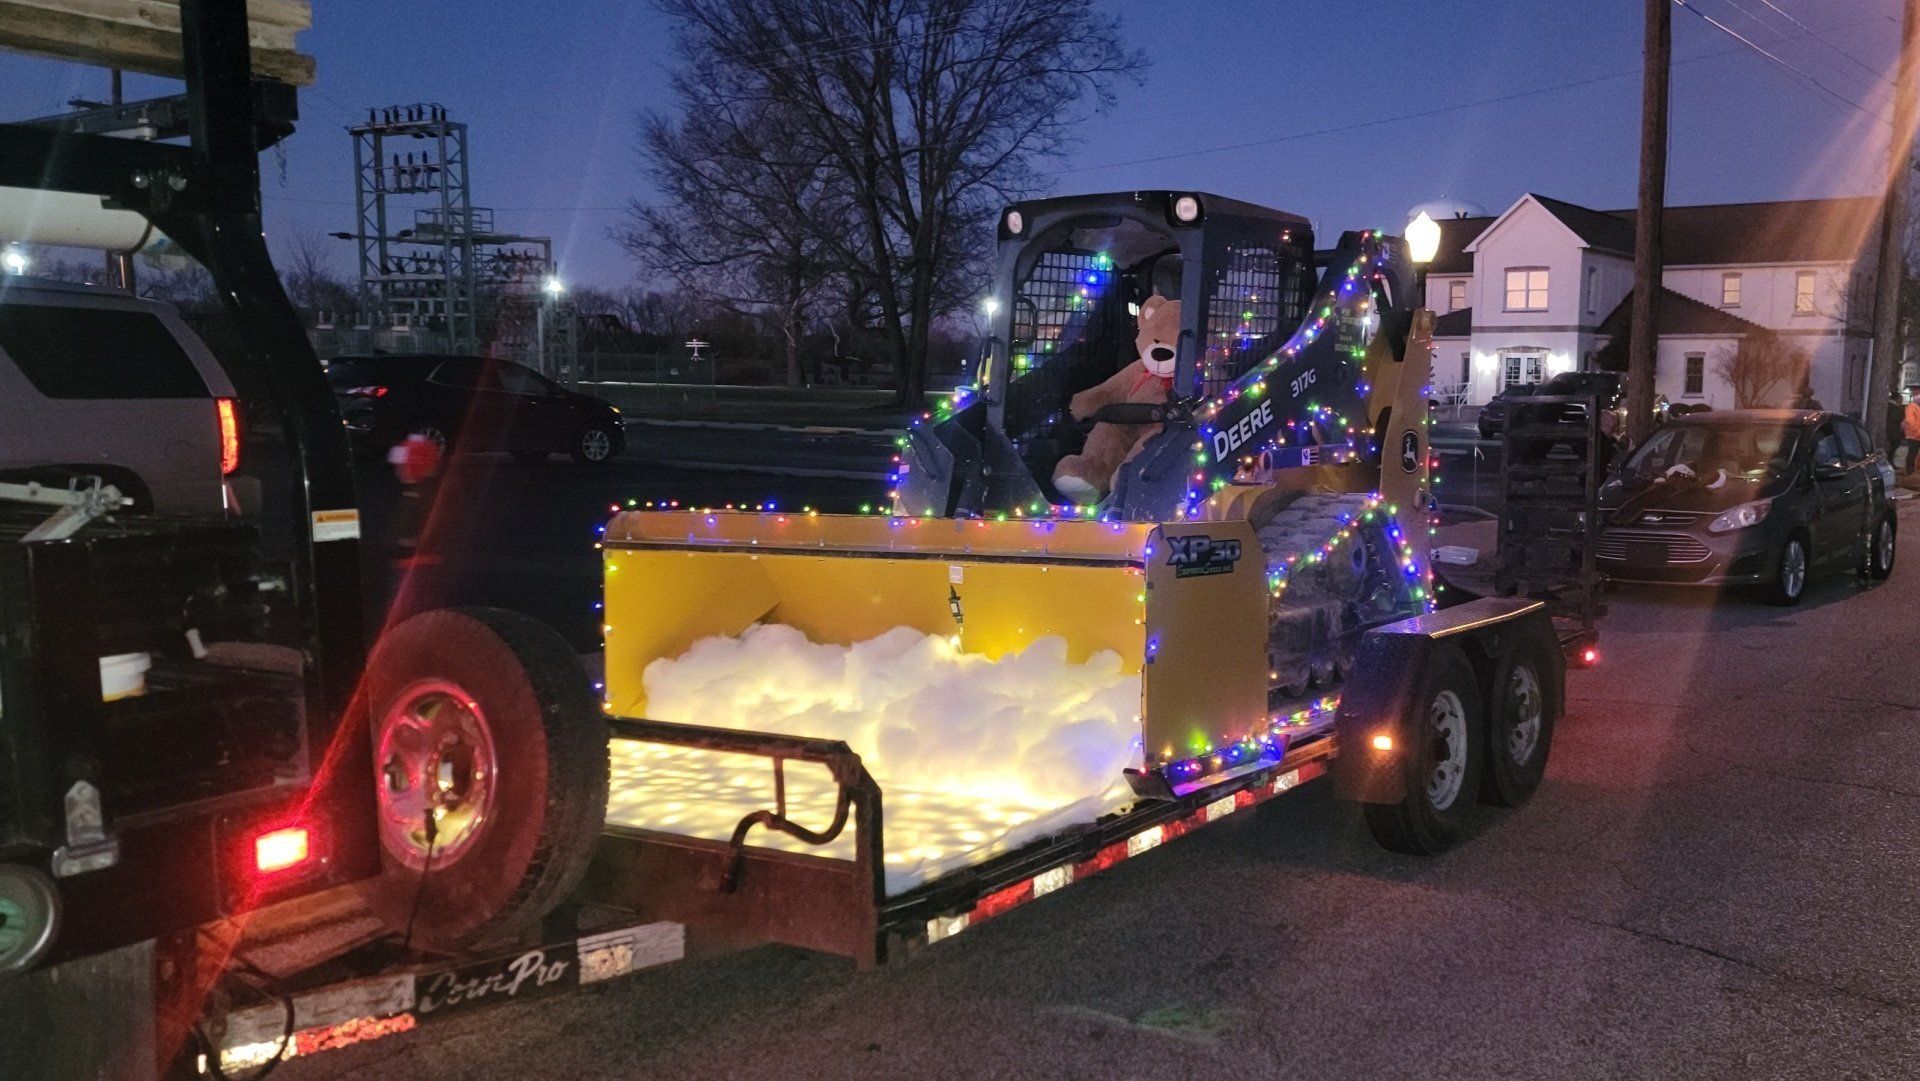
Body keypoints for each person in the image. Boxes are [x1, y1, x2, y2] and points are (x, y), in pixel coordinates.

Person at [1903, 387, 1920, 478]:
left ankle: (1913, 470)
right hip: (1913, 435)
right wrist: (1918, 431)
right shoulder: (1911, 407)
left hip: (1916, 434)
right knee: (1912, 453)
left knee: (1913, 453)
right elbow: (1910, 422)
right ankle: (1909, 471)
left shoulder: (1916, 407)